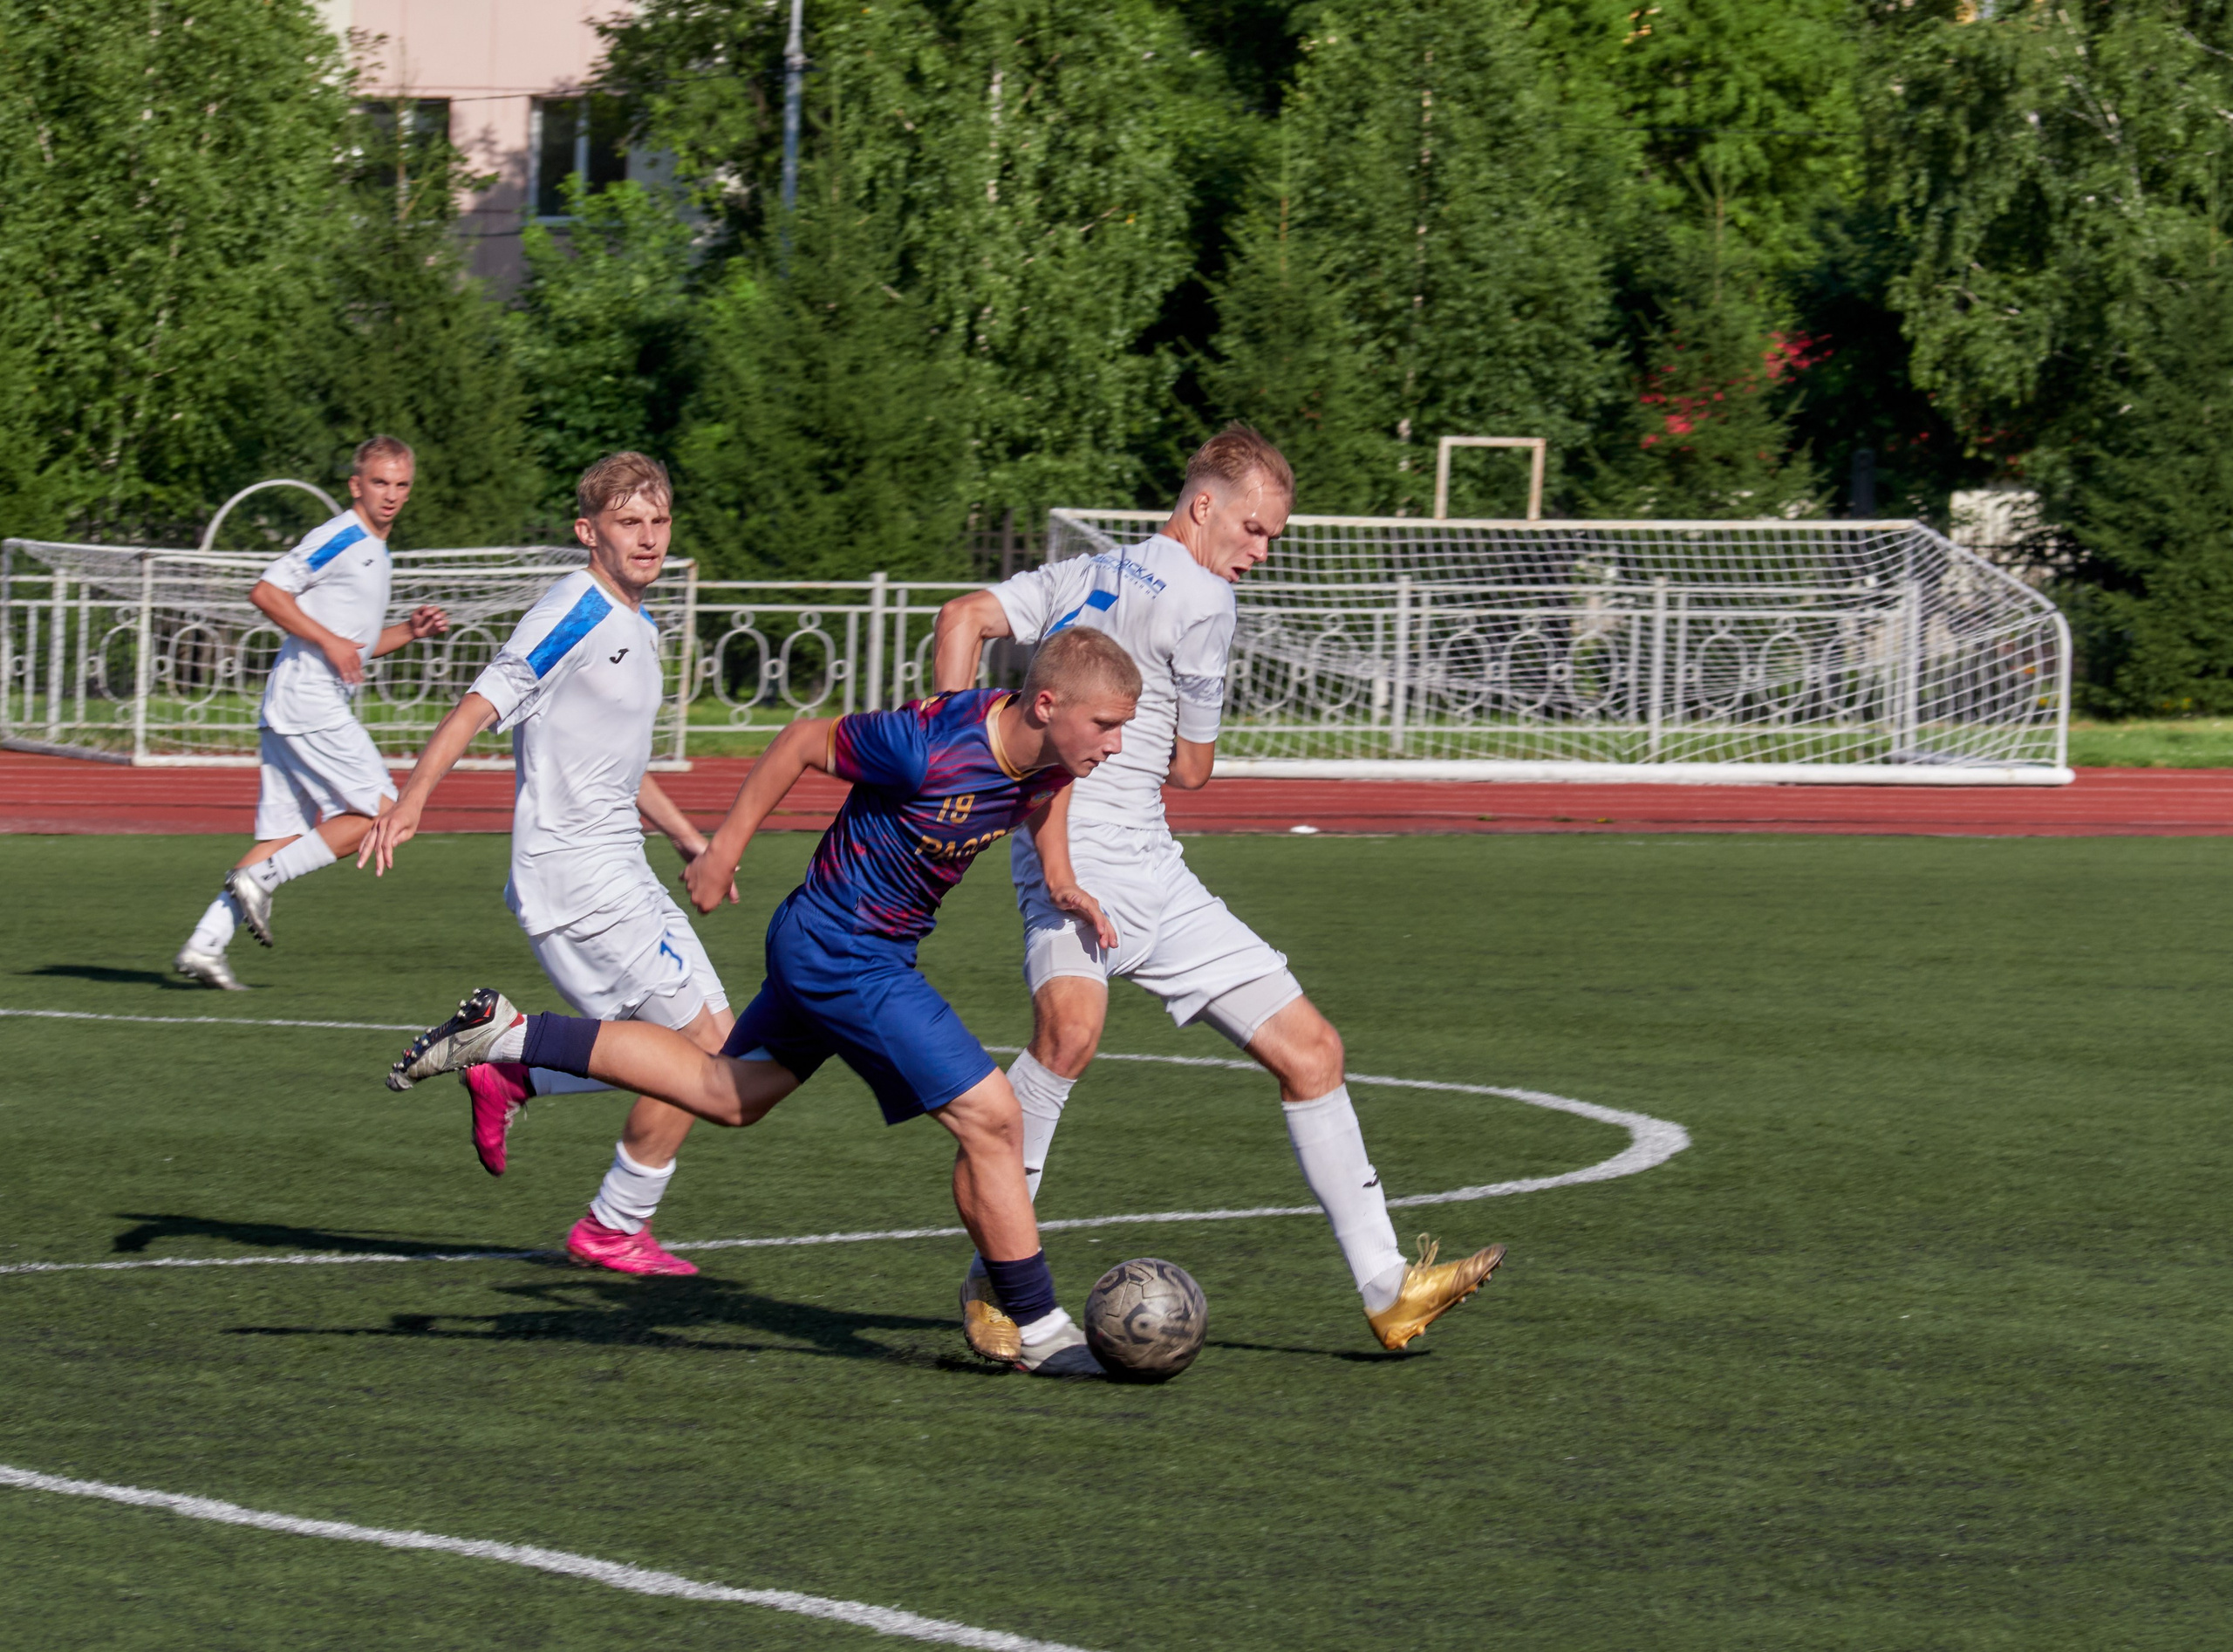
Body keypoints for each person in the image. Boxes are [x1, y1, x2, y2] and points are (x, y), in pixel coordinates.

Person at [382, 626, 1144, 1377]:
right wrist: (722, 850)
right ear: (1044, 704)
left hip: (844, 945)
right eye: (1106, 725)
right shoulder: (930, 742)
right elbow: (800, 741)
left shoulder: (1053, 756)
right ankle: (1038, 1321)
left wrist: (1058, 875)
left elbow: (1044, 791)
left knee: (729, 1093)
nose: (1114, 744)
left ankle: (513, 1037)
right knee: (993, 1116)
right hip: (846, 949)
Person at [931, 423, 1505, 1353]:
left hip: (1137, 863)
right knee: (1068, 1040)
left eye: (1270, 536)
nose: (1259, 551)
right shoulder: (1202, 599)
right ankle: (999, 1281)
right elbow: (1194, 768)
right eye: (1253, 528)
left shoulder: (1085, 569)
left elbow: (960, 618)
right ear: (1203, 506)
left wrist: (952, 751)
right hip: (1085, 856)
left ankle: (1388, 1286)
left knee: (1309, 1050)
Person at [358, 453, 735, 1278]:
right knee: (705, 1059)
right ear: (587, 531)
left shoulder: (637, 622)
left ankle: (516, 1077)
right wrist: (413, 797)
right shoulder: (576, 609)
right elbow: (479, 703)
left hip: (619, 868)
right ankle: (608, 1218)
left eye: (659, 521)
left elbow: (618, 768)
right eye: (628, 522)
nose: (647, 538)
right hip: (578, 878)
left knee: (708, 1054)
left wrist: (688, 839)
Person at [174, 436, 449, 991]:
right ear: (355, 486)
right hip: (308, 701)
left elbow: (356, 645)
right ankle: (261, 881)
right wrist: (328, 642)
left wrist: (409, 632)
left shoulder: (375, 548)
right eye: (379, 483)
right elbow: (268, 591)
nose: (391, 495)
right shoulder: (341, 536)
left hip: (296, 704)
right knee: (384, 815)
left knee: (284, 834)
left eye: (401, 485)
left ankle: (204, 945)